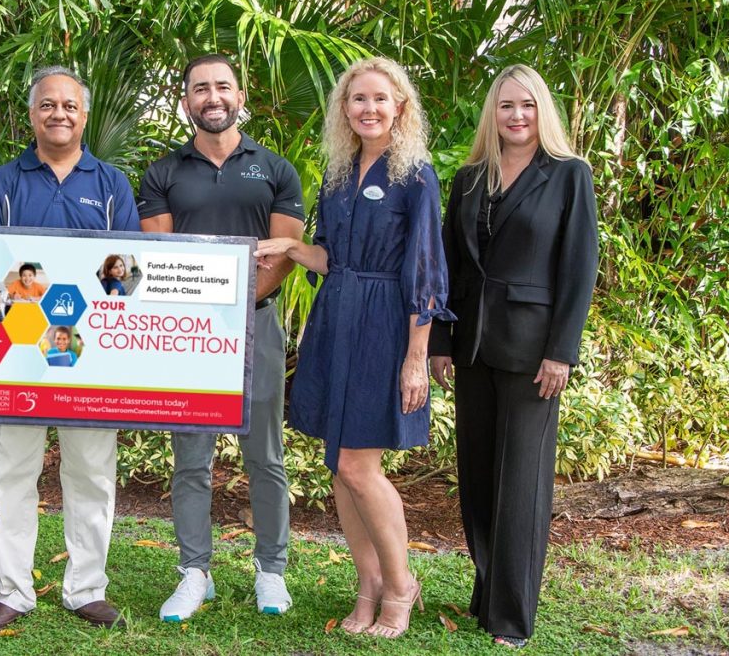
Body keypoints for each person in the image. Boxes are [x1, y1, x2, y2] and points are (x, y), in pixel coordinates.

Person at [255, 57, 453, 639]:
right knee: (339, 466)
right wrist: (286, 249)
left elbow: (425, 270)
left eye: (379, 98)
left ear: (400, 107)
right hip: (336, 319)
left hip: (386, 327)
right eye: (356, 99)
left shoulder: (415, 175)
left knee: (357, 465)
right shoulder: (339, 175)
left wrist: (416, 356)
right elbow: (330, 259)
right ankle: (367, 586)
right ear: (345, 109)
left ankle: (400, 586)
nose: (368, 108)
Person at [429, 64, 598, 648]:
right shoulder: (471, 178)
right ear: (492, 114)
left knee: (521, 485)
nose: (517, 116)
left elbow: (579, 270)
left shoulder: (569, 176)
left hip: (534, 354)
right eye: (506, 106)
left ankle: (512, 616)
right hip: (473, 345)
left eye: (527, 105)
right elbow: (450, 266)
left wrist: (562, 353)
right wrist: (439, 342)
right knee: (478, 476)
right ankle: (486, 591)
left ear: (541, 110)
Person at [138, 54, 304, 622]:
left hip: (256, 322)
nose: (213, 96)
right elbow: (156, 257)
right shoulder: (163, 173)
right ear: (186, 102)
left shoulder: (276, 169)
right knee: (191, 458)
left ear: (240, 95)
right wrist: (205, 313)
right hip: (187, 335)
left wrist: (237, 304)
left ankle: (272, 570)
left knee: (265, 455)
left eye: (222, 86)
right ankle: (194, 571)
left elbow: (285, 254)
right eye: (200, 89)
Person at [0, 66, 140, 632]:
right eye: (48, 105)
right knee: (13, 473)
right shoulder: (5, 182)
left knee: (92, 473)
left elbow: (127, 276)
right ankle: (13, 591)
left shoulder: (112, 183)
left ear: (84, 115)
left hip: (90, 360)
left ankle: (86, 587)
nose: (59, 114)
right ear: (31, 114)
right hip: (18, 358)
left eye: (70, 105)